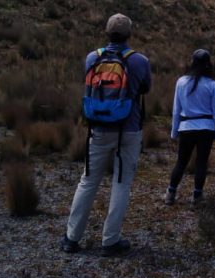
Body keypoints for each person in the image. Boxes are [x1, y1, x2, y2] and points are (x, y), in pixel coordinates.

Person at [61, 13, 151, 256]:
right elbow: (146, 88)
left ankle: (71, 238)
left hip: (98, 129)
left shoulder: (93, 58)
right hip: (128, 129)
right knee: (121, 183)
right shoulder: (140, 61)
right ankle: (110, 240)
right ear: (129, 34)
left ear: (107, 33)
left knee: (88, 181)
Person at [164, 49, 215, 206]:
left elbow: (176, 110)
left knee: (181, 162)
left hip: (186, 127)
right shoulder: (213, 85)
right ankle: (197, 196)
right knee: (201, 163)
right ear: (208, 64)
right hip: (206, 129)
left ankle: (170, 193)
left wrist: (174, 132)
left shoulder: (181, 82)